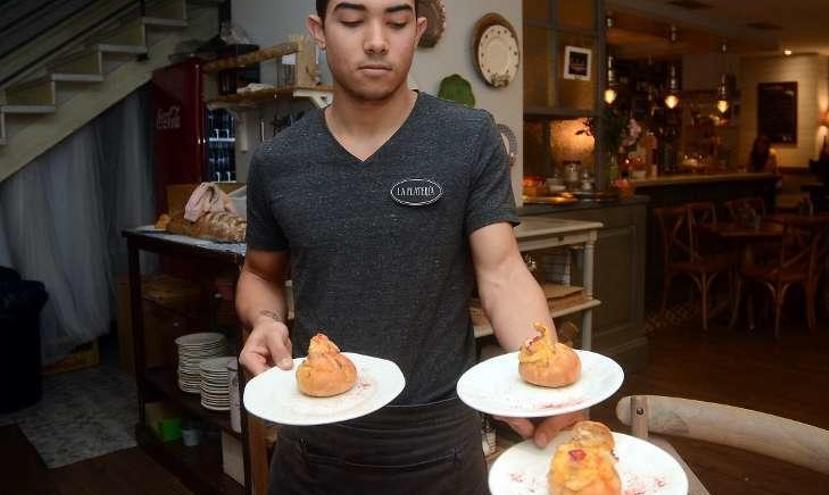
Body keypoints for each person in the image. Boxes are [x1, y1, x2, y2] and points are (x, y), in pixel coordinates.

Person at [235, 1, 584, 494]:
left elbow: (502, 272)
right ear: (319, 30)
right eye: (353, 21)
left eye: (396, 22)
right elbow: (260, 274)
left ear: (417, 31)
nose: (376, 39)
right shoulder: (278, 161)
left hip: (438, 437)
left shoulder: (469, 138)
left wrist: (549, 380)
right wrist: (266, 322)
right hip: (314, 438)